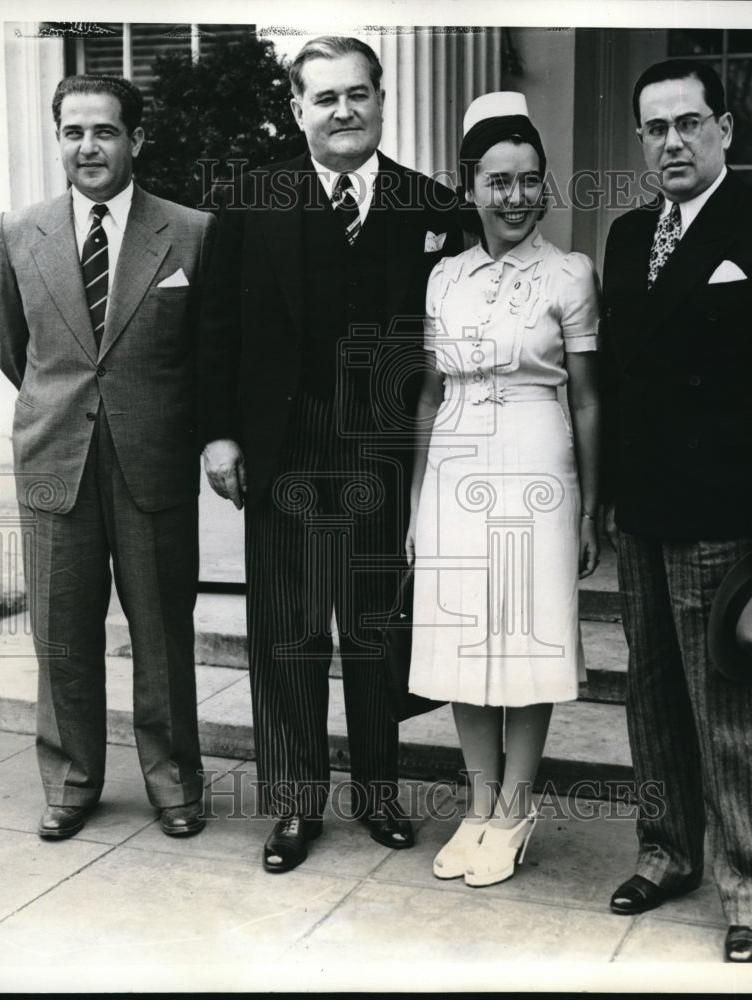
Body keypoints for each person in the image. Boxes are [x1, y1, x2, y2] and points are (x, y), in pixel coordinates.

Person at [197, 36, 461, 873]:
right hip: (287, 444)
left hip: (384, 449)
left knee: (377, 635)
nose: (343, 111)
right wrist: (219, 431)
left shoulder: (430, 206)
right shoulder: (250, 202)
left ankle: (380, 795)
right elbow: (214, 330)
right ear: (297, 110)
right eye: (324, 98)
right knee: (289, 634)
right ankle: (292, 806)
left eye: (357, 94)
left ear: (381, 101)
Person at [600, 59, 752, 962]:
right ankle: (667, 854)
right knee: (652, 702)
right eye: (654, 128)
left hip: (730, 513)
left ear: (724, 131)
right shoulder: (625, 236)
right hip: (644, 508)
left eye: (688, 124)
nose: (671, 143)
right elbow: (618, 381)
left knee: (734, 708)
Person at [0, 75, 216, 840]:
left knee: (161, 632)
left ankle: (175, 785)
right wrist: (68, 409)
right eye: (74, 131)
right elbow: (15, 351)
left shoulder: (189, 232)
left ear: (136, 140)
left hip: (151, 460)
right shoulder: (18, 231)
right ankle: (71, 782)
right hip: (56, 456)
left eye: (105, 131)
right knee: (61, 634)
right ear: (58, 138)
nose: (89, 146)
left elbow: (200, 357)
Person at [406, 92, 601, 888]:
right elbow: (425, 393)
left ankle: (517, 808)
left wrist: (590, 503)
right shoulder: (443, 276)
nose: (513, 197)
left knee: (522, 638)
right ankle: (478, 804)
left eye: (528, 180)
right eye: (497, 181)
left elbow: (587, 396)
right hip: (453, 460)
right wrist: (418, 500)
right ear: (470, 187)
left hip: (534, 458)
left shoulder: (569, 273)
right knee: (463, 639)